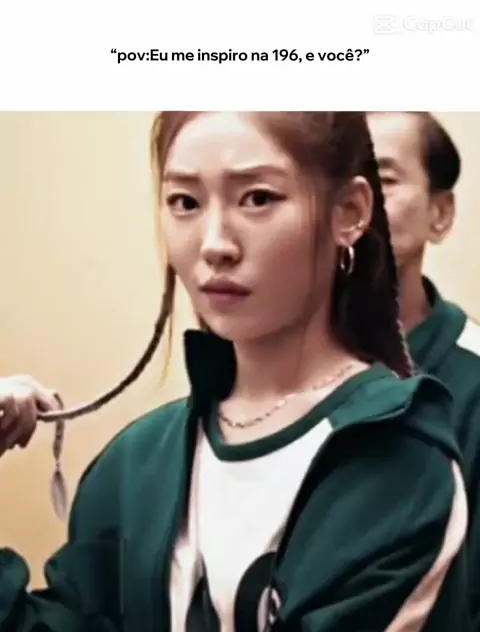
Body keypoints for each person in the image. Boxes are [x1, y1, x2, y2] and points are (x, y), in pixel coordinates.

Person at [0, 112, 470, 632]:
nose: (214, 244)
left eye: (257, 198)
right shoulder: (136, 463)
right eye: (185, 202)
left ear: (350, 212)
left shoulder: (397, 455)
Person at [367, 111, 480, 630]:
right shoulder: (270, 370)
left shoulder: (472, 379)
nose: (356, 201)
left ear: (441, 213)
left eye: (382, 179)